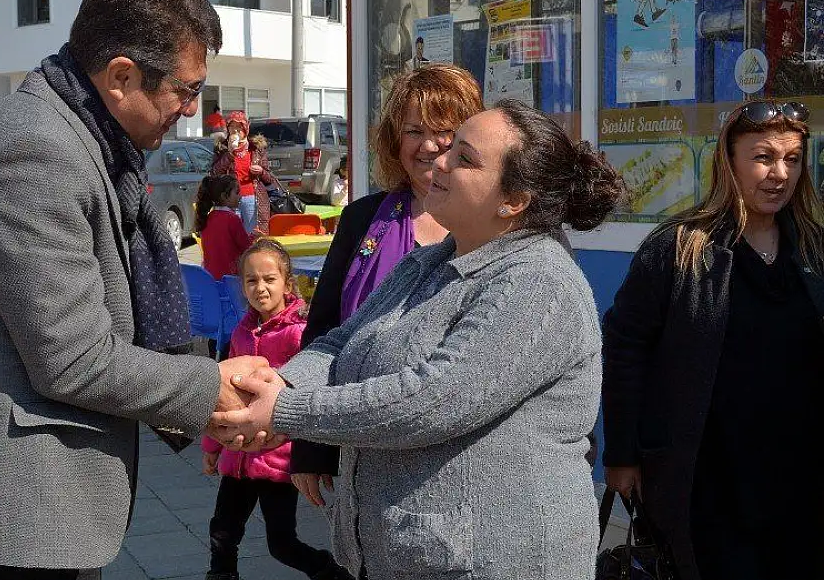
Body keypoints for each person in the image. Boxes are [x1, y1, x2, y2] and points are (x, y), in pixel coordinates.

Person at [0, 0, 273, 579]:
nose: (189, 111)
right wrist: (208, 386)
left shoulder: (78, 134)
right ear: (122, 76)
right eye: (184, 90)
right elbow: (74, 359)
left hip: (37, 514)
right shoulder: (35, 151)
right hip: (15, 519)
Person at [211, 100, 625, 580]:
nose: (440, 160)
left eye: (464, 158)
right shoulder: (431, 261)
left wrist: (284, 410)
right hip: (412, 557)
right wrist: (277, 382)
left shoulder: (537, 279)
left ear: (513, 202)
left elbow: (430, 399)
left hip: (496, 561)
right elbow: (341, 342)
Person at [602, 100, 824, 580]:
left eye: (792, 158)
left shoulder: (813, 249)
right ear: (729, 159)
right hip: (708, 480)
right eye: (763, 156)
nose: (779, 173)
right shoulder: (681, 248)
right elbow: (625, 349)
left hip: (799, 479)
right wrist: (621, 455)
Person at [289, 64, 483, 509]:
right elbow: (323, 332)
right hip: (364, 441)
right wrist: (310, 445)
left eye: (446, 131)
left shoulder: (489, 224)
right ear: (395, 139)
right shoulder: (363, 219)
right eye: (414, 130)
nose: (430, 145)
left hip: (462, 445)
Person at [201, 239, 351, 580]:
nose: (261, 287)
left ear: (287, 281)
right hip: (237, 458)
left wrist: (313, 456)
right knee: (222, 533)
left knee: (281, 544)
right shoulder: (241, 332)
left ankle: (333, 573)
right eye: (251, 280)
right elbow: (224, 397)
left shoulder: (300, 334)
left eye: (269, 278)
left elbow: (312, 395)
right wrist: (212, 446)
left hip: (277, 460)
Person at [212, 110, 273, 233]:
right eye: (232, 127)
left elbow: (269, 179)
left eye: (239, 127)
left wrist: (261, 171)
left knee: (250, 236)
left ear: (245, 129)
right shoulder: (221, 148)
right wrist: (229, 154)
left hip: (251, 198)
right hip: (229, 199)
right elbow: (214, 173)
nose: (235, 131)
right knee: (232, 235)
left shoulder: (255, 148)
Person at [196, 174, 254, 280]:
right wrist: (254, 237)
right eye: (236, 193)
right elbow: (247, 247)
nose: (240, 196)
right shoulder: (232, 219)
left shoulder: (208, 217)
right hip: (231, 279)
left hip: (211, 279)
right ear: (224, 196)